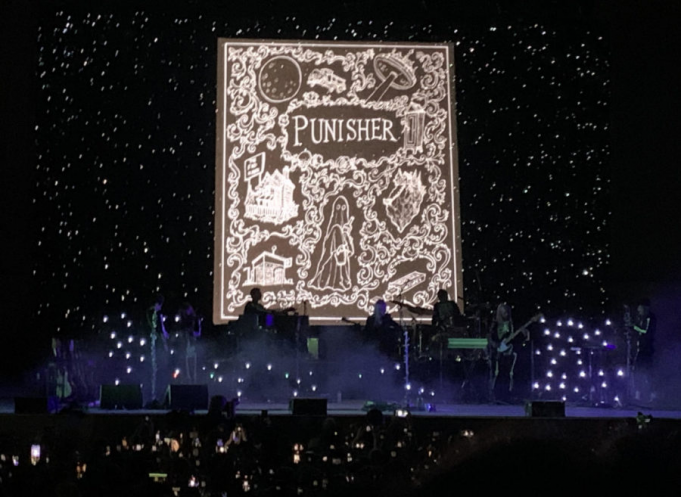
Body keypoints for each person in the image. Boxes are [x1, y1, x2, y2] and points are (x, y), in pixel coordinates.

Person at [486, 303, 525, 403]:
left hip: (508, 352)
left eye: (507, 312)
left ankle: (507, 394)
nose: (506, 314)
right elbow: (490, 337)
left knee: (508, 374)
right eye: (504, 312)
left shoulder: (511, 324)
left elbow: (514, 337)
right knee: (496, 374)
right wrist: (495, 345)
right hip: (497, 352)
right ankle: (495, 395)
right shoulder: (495, 324)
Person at [627, 298, 656, 403]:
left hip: (647, 349)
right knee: (637, 371)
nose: (638, 310)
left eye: (640, 307)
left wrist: (634, 326)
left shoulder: (650, 317)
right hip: (642, 348)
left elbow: (644, 330)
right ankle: (638, 395)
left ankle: (652, 396)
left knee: (648, 372)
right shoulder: (642, 317)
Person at [146, 293, 169, 404]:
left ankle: (152, 394)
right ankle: (156, 395)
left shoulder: (148, 312)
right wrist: (165, 343)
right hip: (157, 344)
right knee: (158, 369)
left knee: (153, 369)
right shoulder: (158, 313)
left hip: (151, 343)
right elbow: (160, 329)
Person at [177, 302, 202, 384]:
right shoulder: (184, 320)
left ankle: (193, 383)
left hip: (192, 345)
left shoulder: (195, 319)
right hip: (185, 345)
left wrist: (191, 333)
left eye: (186, 311)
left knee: (193, 367)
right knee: (185, 367)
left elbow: (198, 333)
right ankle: (187, 382)